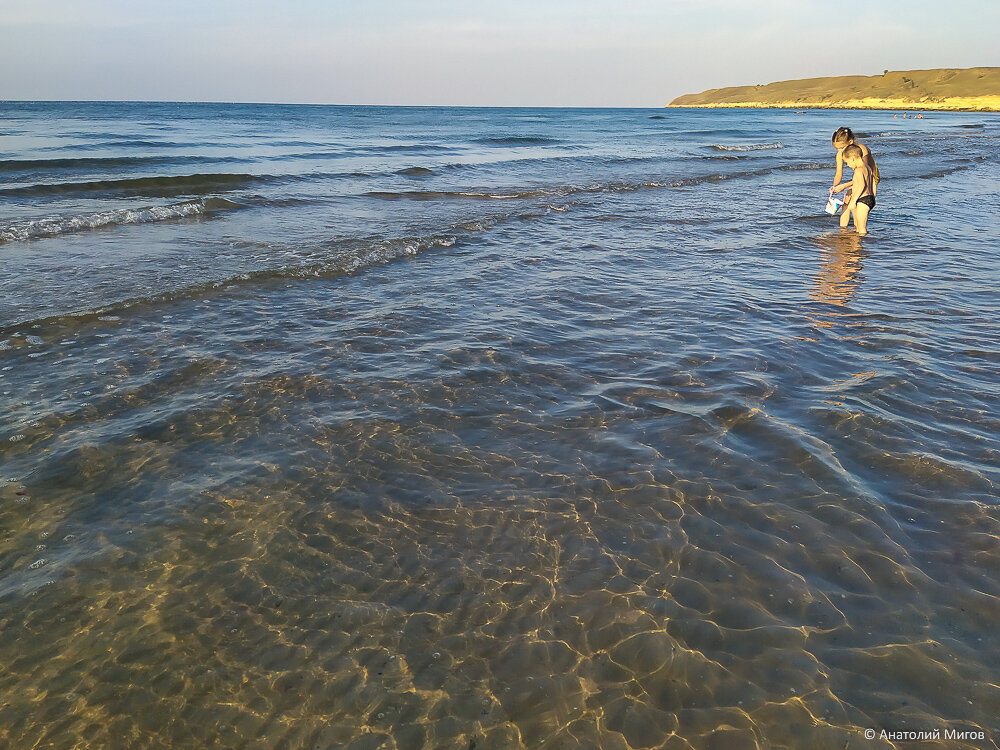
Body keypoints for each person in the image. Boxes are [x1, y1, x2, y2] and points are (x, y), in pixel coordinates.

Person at [830, 127, 878, 228]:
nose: (840, 151)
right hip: (857, 177)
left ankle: (858, 229)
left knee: (857, 204)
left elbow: (864, 175)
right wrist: (835, 187)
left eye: (842, 147)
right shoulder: (840, 154)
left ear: (850, 141)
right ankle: (843, 230)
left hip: (870, 177)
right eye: (837, 148)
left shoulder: (862, 150)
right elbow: (839, 174)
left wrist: (845, 186)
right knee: (846, 202)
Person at [832, 145, 875, 235]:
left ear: (853, 159)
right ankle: (859, 243)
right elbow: (873, 182)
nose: (847, 165)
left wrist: (852, 201)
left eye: (847, 162)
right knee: (860, 226)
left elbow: (861, 186)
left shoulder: (858, 170)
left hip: (863, 200)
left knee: (861, 227)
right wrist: (873, 196)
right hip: (869, 198)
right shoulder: (867, 167)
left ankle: (861, 246)